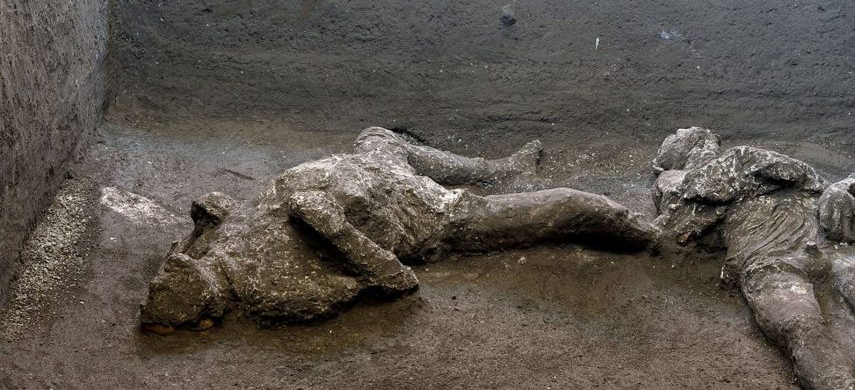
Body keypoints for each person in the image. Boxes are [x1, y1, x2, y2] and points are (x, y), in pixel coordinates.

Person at [141, 127, 657, 331]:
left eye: (186, 262)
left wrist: (203, 225)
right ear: (211, 301)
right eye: (194, 271)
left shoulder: (210, 250)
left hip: (369, 170)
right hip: (427, 217)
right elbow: (397, 281)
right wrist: (335, 230)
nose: (190, 261)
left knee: (381, 136)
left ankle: (499, 169)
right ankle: (661, 235)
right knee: (569, 206)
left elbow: (208, 213)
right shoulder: (270, 293)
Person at [651, 127, 855, 390]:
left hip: (836, 246)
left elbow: (839, 187)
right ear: (669, 163)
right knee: (803, 330)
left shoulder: (760, 161)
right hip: (769, 260)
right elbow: (667, 235)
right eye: (679, 136)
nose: (686, 132)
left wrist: (846, 191)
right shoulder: (679, 188)